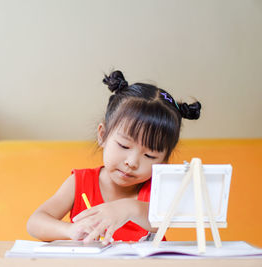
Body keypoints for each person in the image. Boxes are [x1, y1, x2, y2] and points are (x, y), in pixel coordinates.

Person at [27, 70, 201, 244]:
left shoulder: (158, 187)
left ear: (164, 161)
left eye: (149, 155)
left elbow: (164, 219)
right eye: (124, 146)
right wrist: (69, 230)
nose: (132, 162)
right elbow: (35, 223)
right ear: (103, 135)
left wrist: (129, 208)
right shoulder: (80, 182)